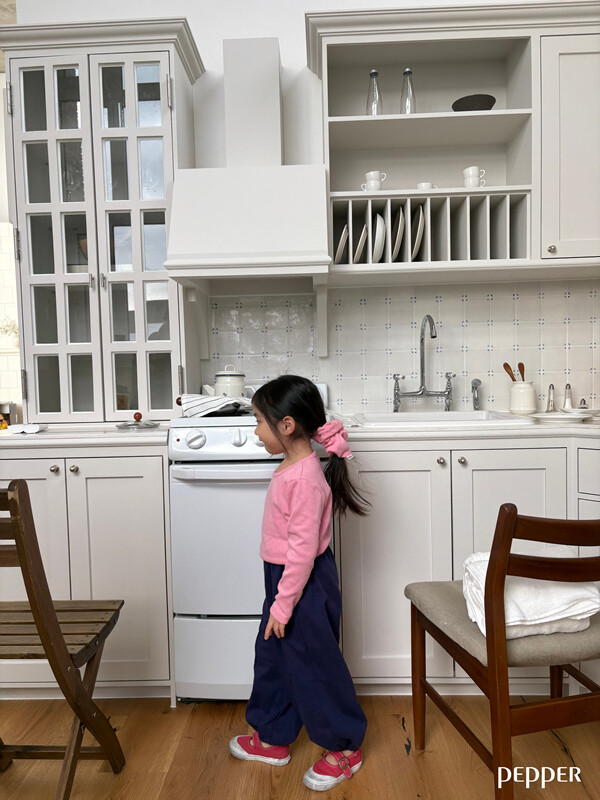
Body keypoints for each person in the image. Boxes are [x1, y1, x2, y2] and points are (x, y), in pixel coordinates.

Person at [229, 374, 369, 792]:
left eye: (259, 421)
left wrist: (284, 603)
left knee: (315, 665)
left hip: (303, 584)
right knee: (274, 657)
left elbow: (304, 552)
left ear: (286, 425)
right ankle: (273, 736)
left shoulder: (305, 479)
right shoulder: (293, 468)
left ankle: (345, 747)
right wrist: (279, 598)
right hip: (285, 579)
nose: (256, 431)